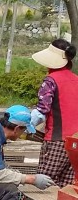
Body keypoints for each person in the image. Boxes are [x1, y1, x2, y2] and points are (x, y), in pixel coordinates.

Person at [30, 39, 78, 186]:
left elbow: (42, 111)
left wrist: (28, 125)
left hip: (57, 141)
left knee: (45, 184)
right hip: (75, 143)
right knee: (67, 187)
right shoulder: (76, 80)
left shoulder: (50, 81)